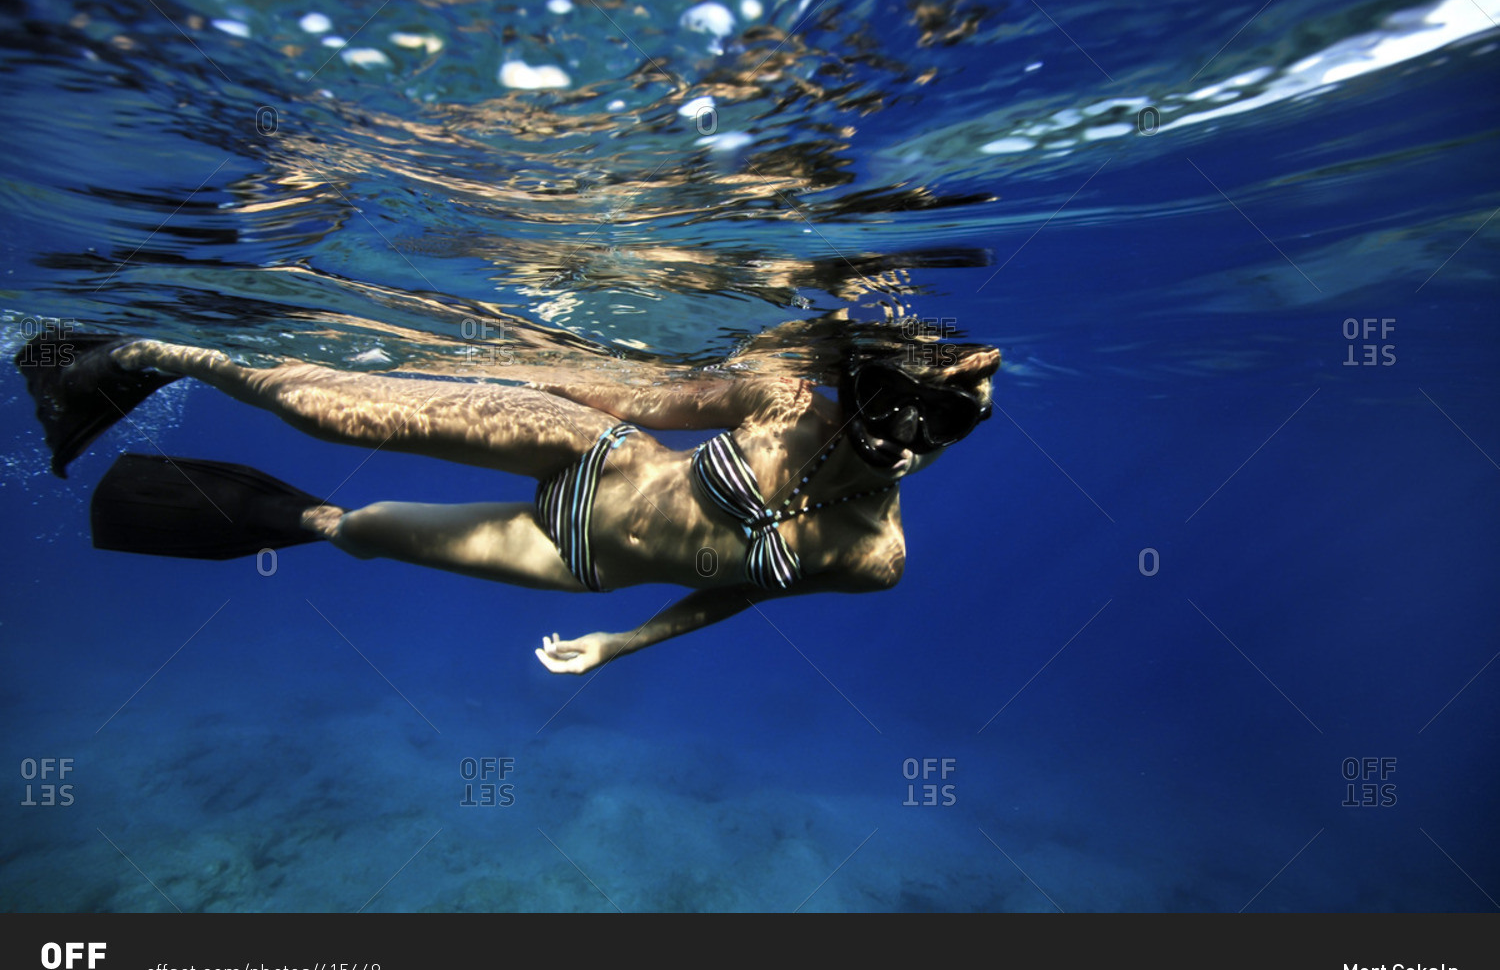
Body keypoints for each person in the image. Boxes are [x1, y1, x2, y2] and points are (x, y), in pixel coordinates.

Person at [16, 328, 999, 672]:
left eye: (927, 423)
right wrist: (484, 369)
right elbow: (638, 394)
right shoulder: (785, 402)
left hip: (573, 559)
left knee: (352, 533)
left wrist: (623, 643)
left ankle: (277, 516)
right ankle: (136, 355)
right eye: (882, 396)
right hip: (600, 454)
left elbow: (741, 591)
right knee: (334, 412)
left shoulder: (875, 560)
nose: (888, 431)